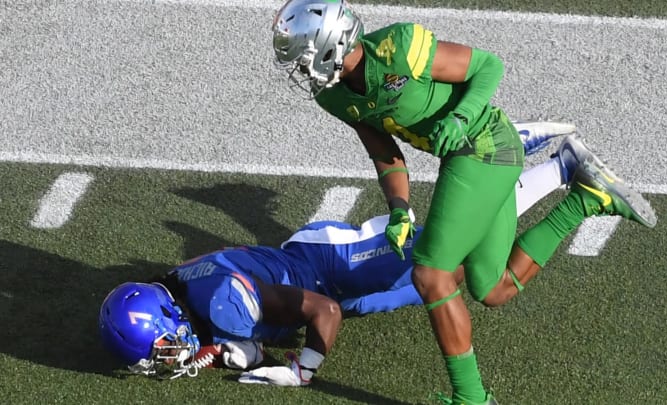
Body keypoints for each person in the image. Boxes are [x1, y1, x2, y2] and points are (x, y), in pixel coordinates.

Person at [270, 1, 657, 403]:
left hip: (485, 144)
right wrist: (399, 208)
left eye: (304, 58)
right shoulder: (333, 96)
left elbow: (487, 66)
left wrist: (461, 117)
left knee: (431, 275)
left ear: (331, 45)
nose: (302, 69)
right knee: (492, 289)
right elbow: (385, 153)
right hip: (472, 156)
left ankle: (471, 399)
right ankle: (586, 198)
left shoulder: (398, 47)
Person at [98, 134, 604, 384]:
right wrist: (239, 351)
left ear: (168, 314)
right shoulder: (186, 291)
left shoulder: (222, 301)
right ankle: (581, 195)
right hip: (326, 285)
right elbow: (237, 330)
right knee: (478, 281)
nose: (163, 357)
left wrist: (303, 370)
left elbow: (324, 312)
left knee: (456, 240)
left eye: (160, 345)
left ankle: (531, 157)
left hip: (330, 265)